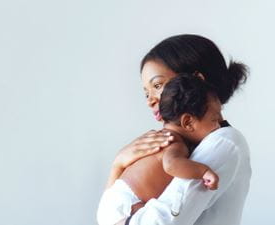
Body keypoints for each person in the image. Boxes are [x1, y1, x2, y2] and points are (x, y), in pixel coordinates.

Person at [103, 34, 251, 225]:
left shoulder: (223, 141)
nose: (150, 100)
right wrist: (118, 165)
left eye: (158, 85)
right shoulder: (181, 144)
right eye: (146, 92)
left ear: (196, 81)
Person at [97, 75, 222, 225]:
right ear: (188, 122)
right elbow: (171, 165)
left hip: (113, 200)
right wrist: (203, 171)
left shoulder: (162, 137)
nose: (220, 125)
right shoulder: (174, 143)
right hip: (128, 204)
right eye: (214, 120)